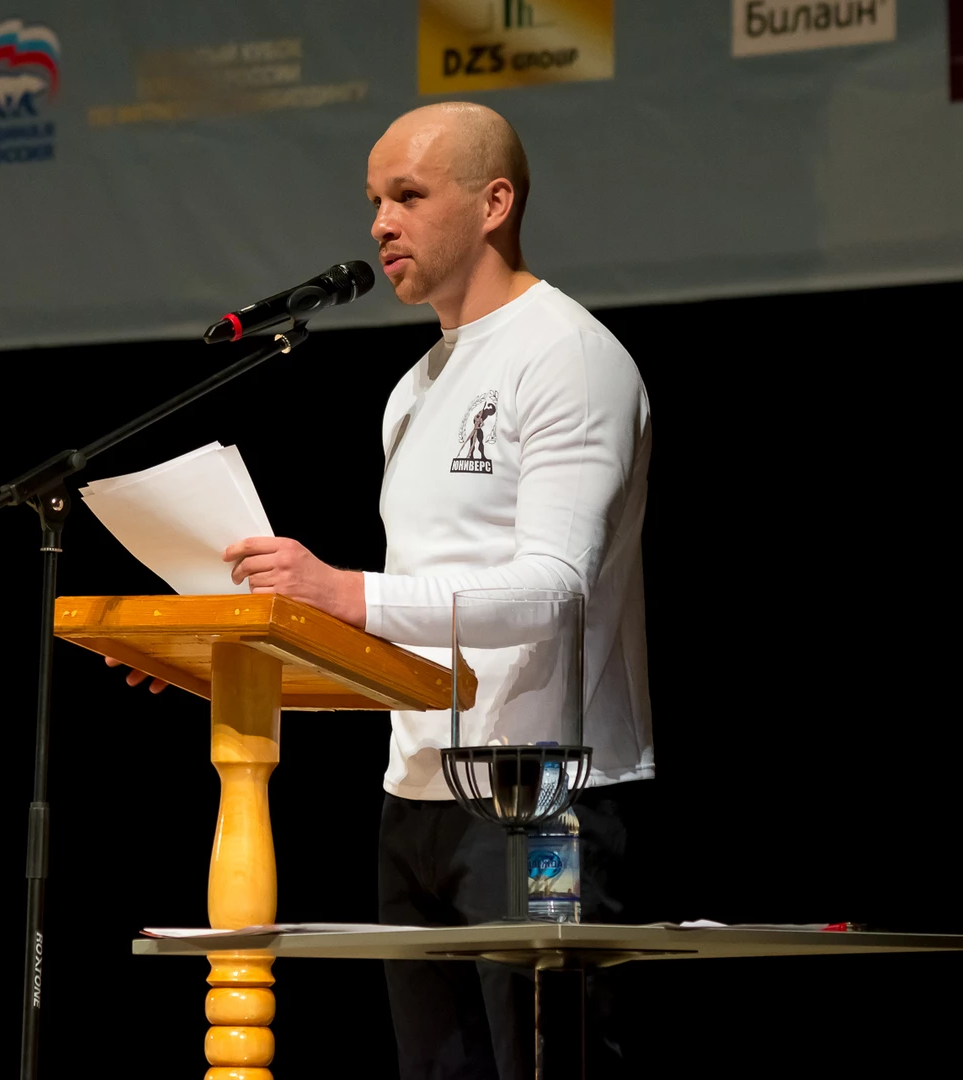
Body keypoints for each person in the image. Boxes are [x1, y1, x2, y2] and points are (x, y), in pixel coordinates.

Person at [111, 101, 653, 1079]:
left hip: (540, 801)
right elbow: (409, 615)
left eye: (407, 195)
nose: (379, 224)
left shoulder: (568, 358)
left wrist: (344, 593)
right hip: (413, 799)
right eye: (373, 200)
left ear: (494, 203)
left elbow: (554, 594)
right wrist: (228, 647)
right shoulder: (413, 388)